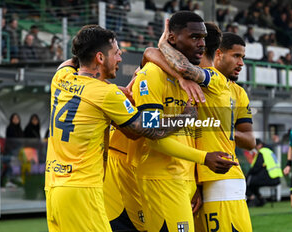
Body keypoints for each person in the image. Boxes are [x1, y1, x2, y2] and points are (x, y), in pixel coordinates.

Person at [44, 24, 198, 232]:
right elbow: (147, 128)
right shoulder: (106, 94)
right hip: (83, 189)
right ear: (100, 57)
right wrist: (183, 118)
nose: (120, 58)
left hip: (54, 189)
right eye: (116, 53)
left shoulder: (61, 78)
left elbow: (72, 62)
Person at [128, 12, 236, 231]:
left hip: (183, 179)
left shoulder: (193, 79)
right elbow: (153, 135)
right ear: (173, 38)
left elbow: (186, 137)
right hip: (161, 179)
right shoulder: (151, 75)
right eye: (194, 37)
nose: (201, 44)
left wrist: (193, 181)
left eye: (203, 38)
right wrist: (204, 158)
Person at [154, 24, 255, 231]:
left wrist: (163, 42)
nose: (241, 63)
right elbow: (152, 56)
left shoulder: (214, 79)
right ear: (217, 53)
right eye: (236, 56)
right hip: (200, 180)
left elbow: (180, 65)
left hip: (222, 180)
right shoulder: (189, 82)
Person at [246, 139, 283, 207]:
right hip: (276, 177)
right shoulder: (269, 151)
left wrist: (248, 174)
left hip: (271, 177)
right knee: (252, 183)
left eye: (255, 147)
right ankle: (260, 199)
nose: (255, 149)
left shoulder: (262, 152)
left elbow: (256, 167)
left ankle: (252, 198)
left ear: (259, 145)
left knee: (247, 181)